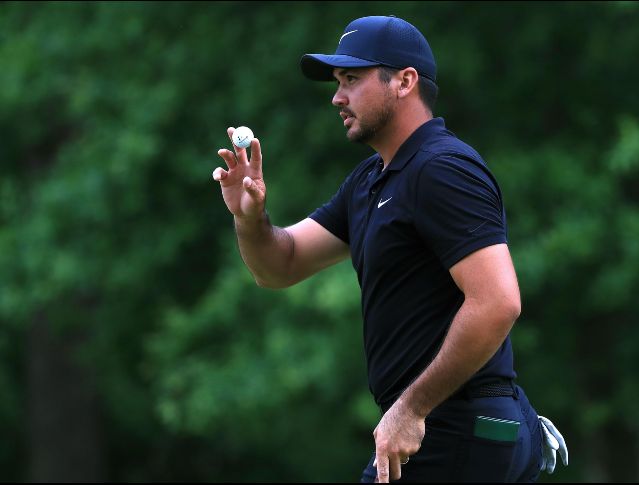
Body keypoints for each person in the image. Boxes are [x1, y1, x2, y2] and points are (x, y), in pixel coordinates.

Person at [213, 15, 568, 483]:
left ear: (404, 82)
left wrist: (410, 408)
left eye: (353, 80)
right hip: (447, 427)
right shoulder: (369, 180)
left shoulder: (442, 168)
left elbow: (498, 302)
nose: (337, 97)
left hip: (456, 425)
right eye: (338, 82)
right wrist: (249, 217)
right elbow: (281, 265)